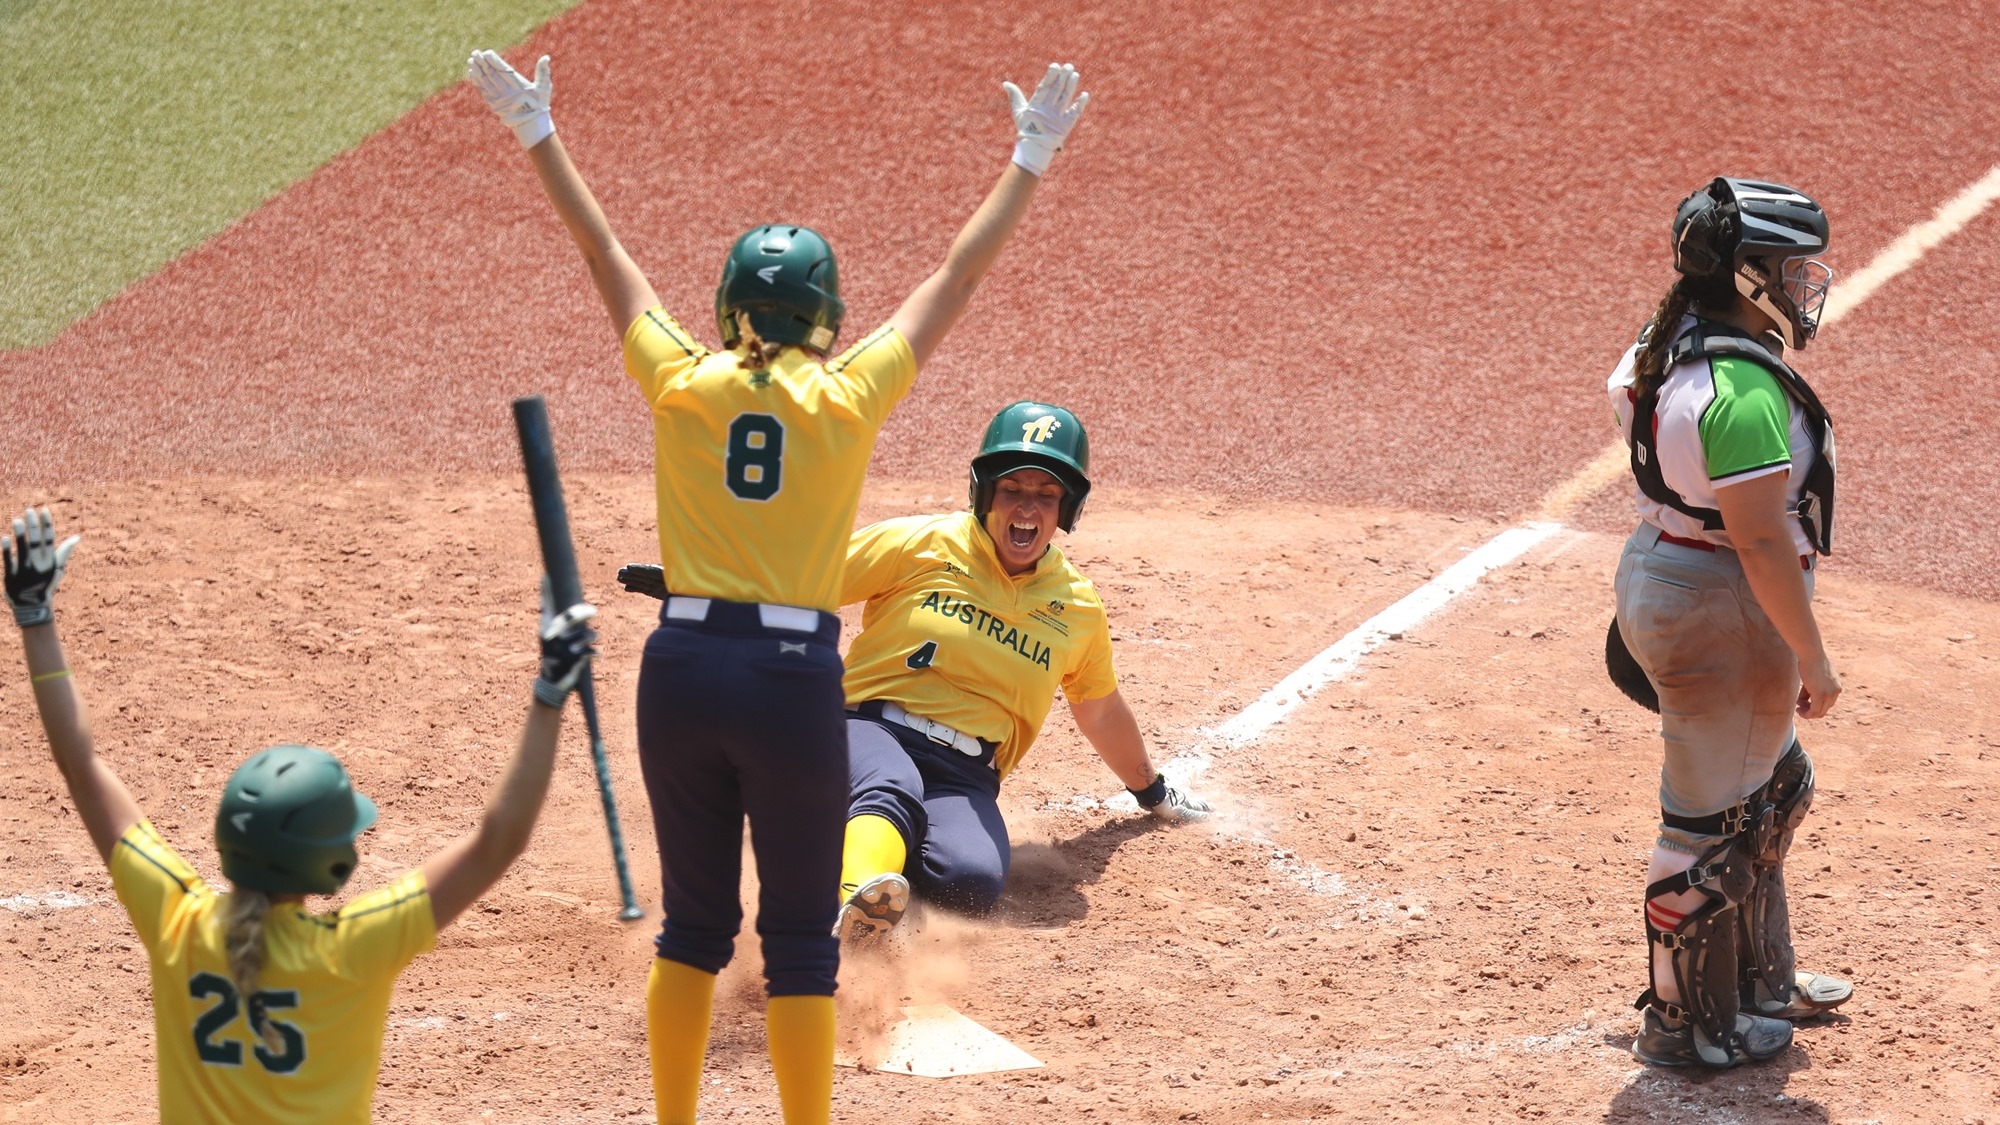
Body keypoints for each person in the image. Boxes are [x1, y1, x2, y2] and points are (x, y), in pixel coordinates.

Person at [465, 50, 1090, 1125]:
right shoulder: (849, 395)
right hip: (792, 677)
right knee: (800, 941)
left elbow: (604, 252)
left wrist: (538, 133)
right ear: (825, 312)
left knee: (691, 935)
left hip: (679, 667)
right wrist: (1030, 155)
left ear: (728, 307)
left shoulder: (679, 377)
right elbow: (956, 277)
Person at [3, 505, 597, 1122]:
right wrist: (550, 690)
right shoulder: (350, 952)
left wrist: (34, 615)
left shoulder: (179, 923)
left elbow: (81, 766)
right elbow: (498, 843)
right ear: (329, 863)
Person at [616, 402, 1211, 938]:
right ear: (984, 492)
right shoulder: (922, 543)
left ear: (1067, 509)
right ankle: (848, 907)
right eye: (1011, 488)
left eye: (1046, 494)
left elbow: (1099, 710)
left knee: (970, 883)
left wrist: (1151, 792)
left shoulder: (1076, 607)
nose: (1027, 507)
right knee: (888, 787)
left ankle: (849, 851)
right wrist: (706, 586)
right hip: (867, 729)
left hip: (966, 773)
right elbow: (806, 580)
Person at [1608, 177, 1853, 1070]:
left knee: (1773, 789)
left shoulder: (1669, 337)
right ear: (1749, 275)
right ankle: (1686, 1023)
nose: (1803, 285)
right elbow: (1757, 539)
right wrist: (1812, 656)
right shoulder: (1740, 390)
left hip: (1673, 574)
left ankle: (1756, 980)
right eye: (1790, 269)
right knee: (1704, 828)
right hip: (1722, 605)